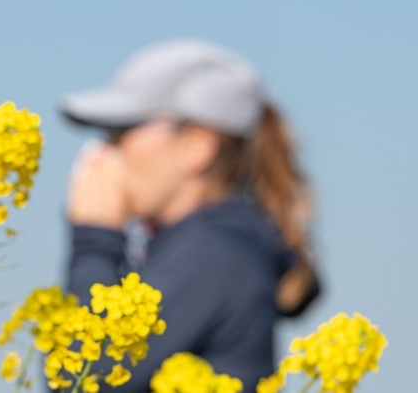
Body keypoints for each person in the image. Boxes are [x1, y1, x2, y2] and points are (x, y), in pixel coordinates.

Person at [60, 39, 321, 392]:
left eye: (121, 131)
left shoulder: (217, 253)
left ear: (196, 145)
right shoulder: (208, 244)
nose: (103, 150)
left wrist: (95, 241)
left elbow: (81, 377)